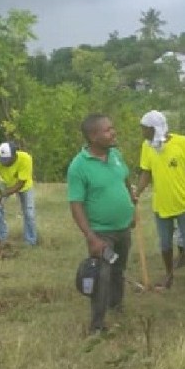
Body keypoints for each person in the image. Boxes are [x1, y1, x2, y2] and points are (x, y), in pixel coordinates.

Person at [68, 114, 136, 333]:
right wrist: (91, 237)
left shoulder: (116, 155)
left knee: (118, 270)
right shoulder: (79, 166)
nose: (113, 132)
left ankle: (116, 306)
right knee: (100, 275)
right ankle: (97, 325)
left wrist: (131, 205)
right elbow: (76, 204)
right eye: (108, 130)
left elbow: (125, 180)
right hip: (101, 232)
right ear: (93, 136)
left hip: (123, 228)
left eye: (112, 128)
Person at [135, 110, 185, 291]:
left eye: (145, 129)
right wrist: (138, 191)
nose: (143, 133)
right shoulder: (147, 146)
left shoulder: (182, 143)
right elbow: (146, 172)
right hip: (161, 204)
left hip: (184, 202)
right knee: (165, 243)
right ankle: (169, 276)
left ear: (155, 128)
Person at [0, 142, 38, 246]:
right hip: (4, 183)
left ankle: (30, 241)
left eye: (7, 160)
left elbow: (20, 184)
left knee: (29, 213)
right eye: (3, 160)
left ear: (14, 155)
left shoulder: (25, 159)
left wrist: (2, 194)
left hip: (24, 186)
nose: (4, 163)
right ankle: (1, 237)